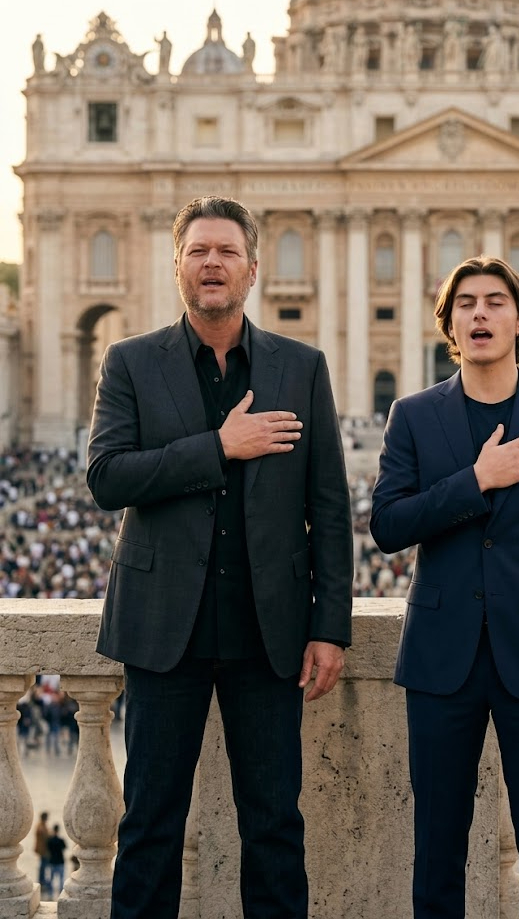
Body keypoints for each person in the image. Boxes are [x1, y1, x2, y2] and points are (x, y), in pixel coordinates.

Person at [87, 195, 353, 919]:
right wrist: (217, 449)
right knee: (148, 826)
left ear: (252, 268)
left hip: (267, 634)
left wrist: (330, 624)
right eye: (198, 251)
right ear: (178, 266)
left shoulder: (301, 366)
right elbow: (106, 477)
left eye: (226, 252)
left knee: (273, 828)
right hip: (161, 629)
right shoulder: (131, 362)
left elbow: (328, 504)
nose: (212, 263)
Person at [370, 255, 519, 919]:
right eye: (465, 303)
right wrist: (476, 480)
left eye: (494, 301)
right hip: (439, 660)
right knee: (436, 857)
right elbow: (386, 525)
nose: (479, 313)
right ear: (448, 324)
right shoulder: (413, 415)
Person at [47, 824, 66, 896]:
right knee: (61, 878)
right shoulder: (61, 840)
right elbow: (64, 847)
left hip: (52, 861)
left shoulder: (50, 840)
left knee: (51, 878)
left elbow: (48, 848)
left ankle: (50, 893)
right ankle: (61, 892)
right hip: (60, 861)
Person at [34, 811, 51, 893]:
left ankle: (42, 881)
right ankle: (42, 881)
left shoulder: (41, 825)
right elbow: (45, 838)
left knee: (43, 865)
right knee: (43, 866)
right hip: (43, 850)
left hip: (42, 850)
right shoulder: (41, 827)